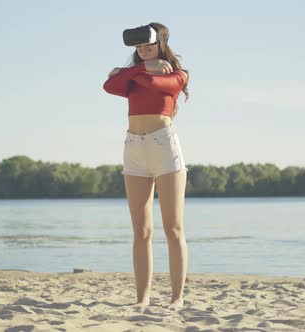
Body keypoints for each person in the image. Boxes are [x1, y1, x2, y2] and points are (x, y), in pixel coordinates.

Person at [102, 22, 190, 312]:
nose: (143, 51)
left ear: (161, 45)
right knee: (141, 231)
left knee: (173, 228)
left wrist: (127, 73)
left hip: (164, 147)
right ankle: (142, 298)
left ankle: (176, 298)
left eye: (149, 46)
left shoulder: (178, 75)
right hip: (134, 148)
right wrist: (139, 69)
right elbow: (109, 86)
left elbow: (154, 85)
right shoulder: (138, 73)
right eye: (139, 48)